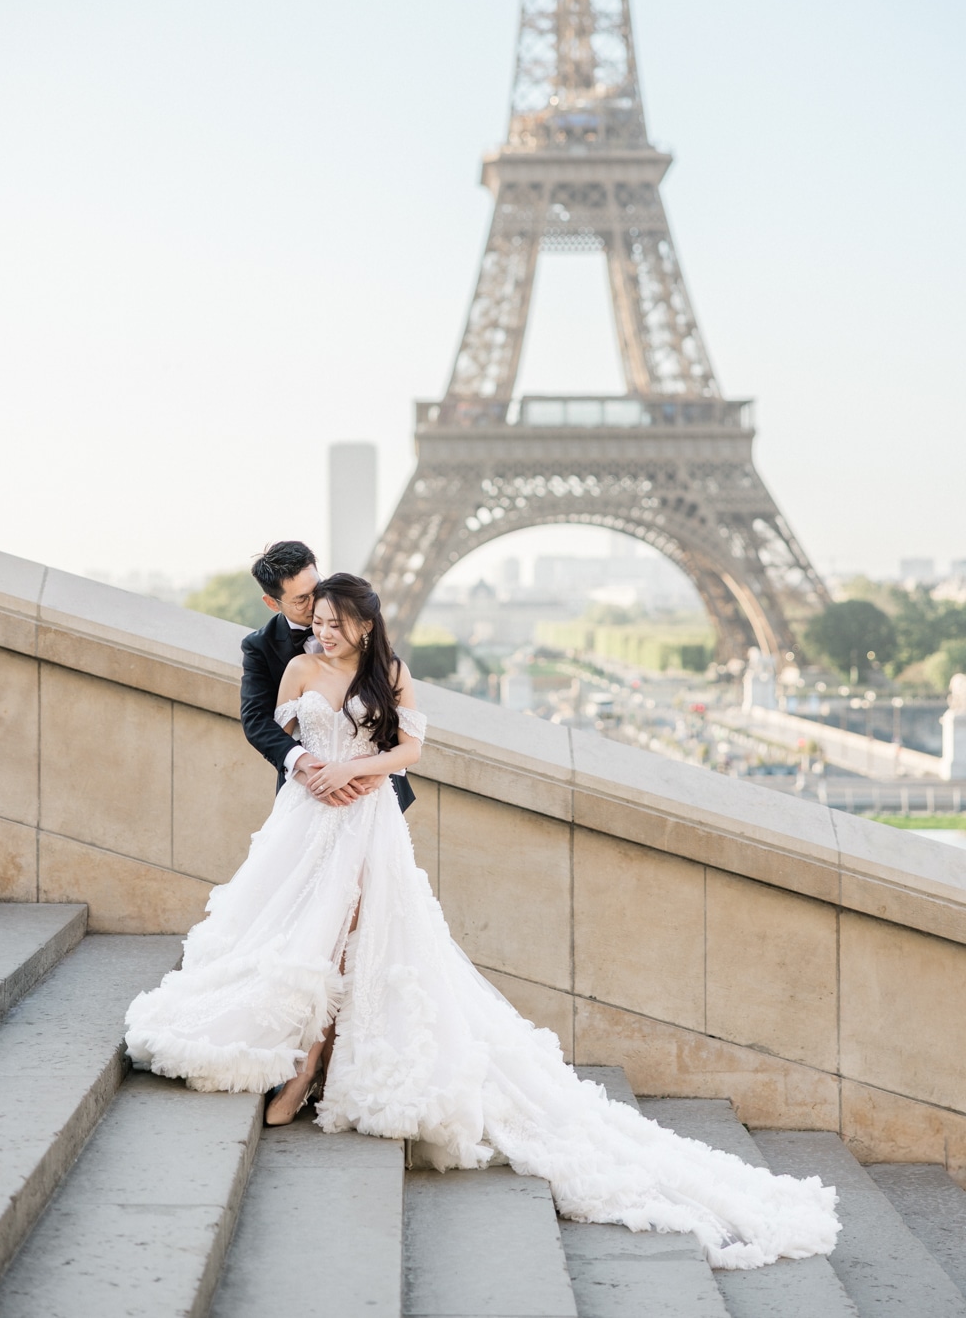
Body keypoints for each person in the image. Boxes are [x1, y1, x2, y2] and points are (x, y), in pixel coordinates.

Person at [125, 574, 839, 1271]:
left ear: (365, 625)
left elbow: (412, 750)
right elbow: (282, 741)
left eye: (337, 619)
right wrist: (316, 767)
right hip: (311, 820)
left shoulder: (391, 674)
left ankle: (313, 1063)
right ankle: (306, 1058)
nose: (324, 627)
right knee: (308, 932)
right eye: (320, 618)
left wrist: (360, 771)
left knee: (358, 933)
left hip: (367, 816)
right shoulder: (299, 668)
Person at [239, 539, 413, 811]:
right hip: (309, 791)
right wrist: (306, 767)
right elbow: (257, 721)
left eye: (316, 589)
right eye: (301, 600)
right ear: (273, 604)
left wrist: (380, 767)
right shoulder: (261, 647)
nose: (315, 603)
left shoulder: (361, 630)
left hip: (372, 793)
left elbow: (389, 709)